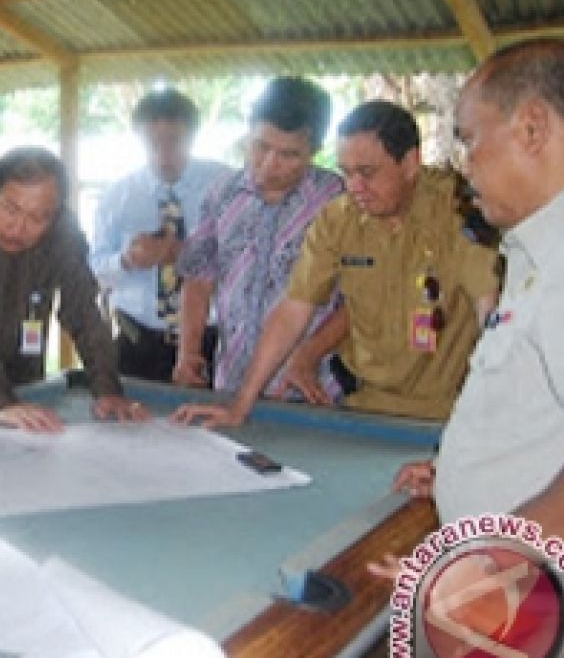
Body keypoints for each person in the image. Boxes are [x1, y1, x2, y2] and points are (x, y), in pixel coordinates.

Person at [382, 38, 564, 658]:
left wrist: (473, 561)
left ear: (533, 127)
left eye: (471, 139)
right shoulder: (557, 244)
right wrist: (464, 468)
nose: (461, 163)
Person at [174, 100, 500, 427]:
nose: (355, 187)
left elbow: (492, 312)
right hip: (360, 408)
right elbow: (293, 310)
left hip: (449, 415)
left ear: (410, 163)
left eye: (368, 173)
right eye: (346, 172)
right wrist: (240, 405)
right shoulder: (337, 219)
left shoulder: (460, 212)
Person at [0, 147, 148, 432]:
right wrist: (3, 402)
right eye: (10, 209)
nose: (18, 228)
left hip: (26, 389)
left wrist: (107, 388)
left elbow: (82, 310)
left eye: (38, 218)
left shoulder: (63, 232)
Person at [173, 76, 344, 396]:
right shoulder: (221, 193)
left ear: (315, 151)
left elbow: (357, 302)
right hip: (231, 385)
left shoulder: (337, 202)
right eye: (261, 146)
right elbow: (198, 278)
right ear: (248, 133)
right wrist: (188, 352)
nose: (270, 164)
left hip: (309, 389)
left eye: (289, 154)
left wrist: (309, 354)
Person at [90, 89, 228, 383]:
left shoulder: (227, 187)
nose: (163, 154)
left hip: (213, 343)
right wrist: (126, 260)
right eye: (152, 142)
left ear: (193, 136)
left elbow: (246, 261)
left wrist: (186, 254)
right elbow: (94, 267)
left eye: (174, 141)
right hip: (138, 343)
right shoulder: (117, 196)